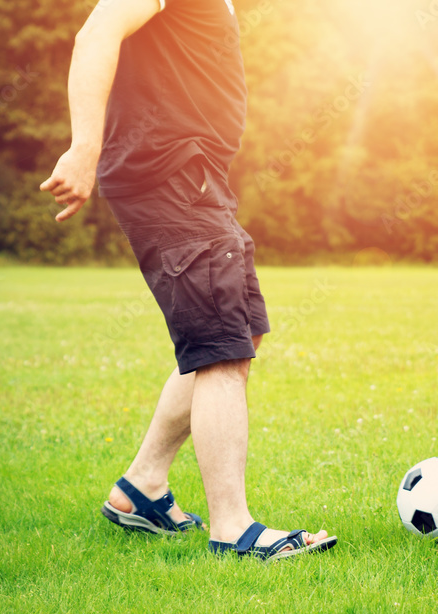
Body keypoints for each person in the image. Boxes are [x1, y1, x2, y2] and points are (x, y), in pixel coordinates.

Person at [39, 0, 336, 560]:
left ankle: (141, 487)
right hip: (171, 174)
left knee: (239, 334)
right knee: (222, 351)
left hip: (195, 177)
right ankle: (233, 529)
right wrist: (84, 145)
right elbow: (97, 30)